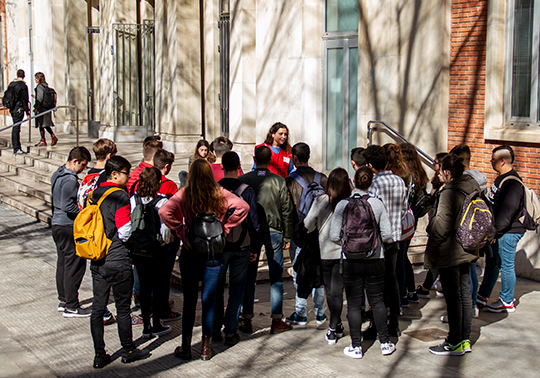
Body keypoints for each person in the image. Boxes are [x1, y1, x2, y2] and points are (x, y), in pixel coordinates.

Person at [159, 159, 249, 361]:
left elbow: (164, 211)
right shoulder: (218, 192)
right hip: (214, 252)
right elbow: (243, 206)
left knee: (189, 300)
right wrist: (225, 227)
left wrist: (181, 230)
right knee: (209, 299)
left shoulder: (185, 193)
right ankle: (206, 348)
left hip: (191, 250)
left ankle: (186, 346)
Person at [90, 156, 150, 368]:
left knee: (98, 307)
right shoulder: (120, 196)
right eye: (126, 172)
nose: (129, 176)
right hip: (117, 257)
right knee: (123, 308)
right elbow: (124, 231)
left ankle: (99, 354)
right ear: (114, 174)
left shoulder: (94, 193)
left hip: (97, 256)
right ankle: (128, 349)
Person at [330, 166, 395, 358]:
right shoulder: (377, 204)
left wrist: (347, 244)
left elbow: (334, 235)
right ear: (371, 183)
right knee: (377, 301)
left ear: (354, 181)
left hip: (350, 261)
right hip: (375, 259)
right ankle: (385, 343)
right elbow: (388, 235)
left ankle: (356, 346)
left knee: (354, 304)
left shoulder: (342, 204)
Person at [425, 154, 480, 356]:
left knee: (453, 297)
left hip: (450, 251)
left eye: (440, 172)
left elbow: (441, 226)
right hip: (468, 246)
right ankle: (465, 339)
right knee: (465, 294)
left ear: (447, 172)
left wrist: (432, 237)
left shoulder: (449, 192)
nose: (438, 175)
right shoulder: (472, 185)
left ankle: (454, 340)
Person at [239, 145, 294, 334]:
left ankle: (246, 318)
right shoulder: (279, 181)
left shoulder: (243, 180)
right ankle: (276, 319)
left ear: (254, 159)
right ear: (270, 160)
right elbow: (287, 209)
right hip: (273, 230)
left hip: (250, 233)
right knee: (276, 277)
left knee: (249, 277)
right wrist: (287, 234)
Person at [213, 151, 260, 345]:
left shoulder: (214, 189)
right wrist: (255, 248)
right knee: (236, 289)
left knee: (216, 289)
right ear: (239, 165)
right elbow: (254, 222)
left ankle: (215, 329)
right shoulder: (247, 190)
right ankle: (231, 330)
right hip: (243, 244)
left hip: (219, 245)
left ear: (222, 167)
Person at [363, 144, 406, 337]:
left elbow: (371, 212)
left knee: (376, 284)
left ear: (371, 165)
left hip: (378, 239)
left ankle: (376, 323)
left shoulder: (374, 185)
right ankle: (394, 322)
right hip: (395, 237)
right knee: (392, 280)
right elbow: (405, 209)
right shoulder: (400, 181)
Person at [304, 167, 350, 344]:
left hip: (325, 251)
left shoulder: (321, 200)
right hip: (344, 251)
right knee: (338, 291)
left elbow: (308, 224)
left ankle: (334, 325)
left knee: (330, 291)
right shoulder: (349, 202)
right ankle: (335, 325)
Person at [478, 145, 526, 313]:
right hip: (498, 230)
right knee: (493, 263)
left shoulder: (512, 182)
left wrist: (496, 233)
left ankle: (507, 300)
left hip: (509, 231)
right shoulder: (501, 178)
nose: (491, 162)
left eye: (493, 160)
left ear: (502, 161)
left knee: (506, 265)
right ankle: (483, 295)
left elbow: (507, 212)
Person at [284, 142, 328, 326]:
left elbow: (287, 211)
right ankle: (320, 314)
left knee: (298, 273)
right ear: (308, 156)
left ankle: (300, 313)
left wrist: (287, 236)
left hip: (299, 233)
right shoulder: (323, 178)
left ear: (294, 158)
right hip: (321, 234)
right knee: (318, 273)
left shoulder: (289, 181)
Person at [76, 138, 117, 326]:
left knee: (97, 272)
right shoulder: (104, 177)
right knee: (106, 273)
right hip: (102, 228)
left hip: (88, 227)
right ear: (109, 156)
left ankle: (101, 308)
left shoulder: (87, 176)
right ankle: (103, 310)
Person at [129, 167, 172, 339]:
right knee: (158, 286)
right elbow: (166, 231)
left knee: (144, 287)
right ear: (158, 183)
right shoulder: (162, 202)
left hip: (139, 249)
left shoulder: (133, 200)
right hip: (157, 250)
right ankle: (157, 323)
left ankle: (146, 324)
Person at [51, 146, 91, 317]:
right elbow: (67, 205)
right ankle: (72, 305)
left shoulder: (57, 174)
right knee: (74, 265)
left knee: (63, 262)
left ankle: (64, 299)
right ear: (75, 161)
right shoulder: (69, 180)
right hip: (67, 226)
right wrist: (84, 212)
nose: (83, 169)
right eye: (82, 165)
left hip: (57, 224)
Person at [450, 144, 487, 318]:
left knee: (462, 276)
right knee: (471, 270)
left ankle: (466, 307)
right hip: (477, 230)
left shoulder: (462, 182)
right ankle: (472, 305)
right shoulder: (480, 180)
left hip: (463, 231)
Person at [151, 148, 181, 322]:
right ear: (167, 166)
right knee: (164, 274)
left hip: (148, 235)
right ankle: (162, 308)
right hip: (167, 235)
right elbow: (175, 212)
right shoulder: (169, 185)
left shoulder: (143, 181)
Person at [398, 143, 429, 307]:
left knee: (401, 258)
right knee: (404, 257)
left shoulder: (406, 176)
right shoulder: (419, 173)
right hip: (413, 219)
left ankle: (403, 293)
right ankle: (410, 291)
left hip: (404, 218)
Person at [415, 152, 448, 298]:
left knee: (436, 259)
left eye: (435, 162)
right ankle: (430, 285)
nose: (433, 164)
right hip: (433, 221)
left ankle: (426, 287)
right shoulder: (437, 181)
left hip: (439, 226)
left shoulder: (445, 186)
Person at [5, 69, 31, 154]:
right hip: (19, 109)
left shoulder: (11, 84)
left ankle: (16, 147)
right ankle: (16, 148)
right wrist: (27, 111)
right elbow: (24, 100)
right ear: (24, 76)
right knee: (16, 128)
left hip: (12, 108)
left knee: (15, 127)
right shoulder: (22, 86)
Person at [32, 72, 58, 147]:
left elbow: (40, 98)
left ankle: (44, 139)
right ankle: (49, 137)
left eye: (36, 78)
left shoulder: (40, 86)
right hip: (47, 108)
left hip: (42, 108)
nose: (35, 80)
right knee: (45, 124)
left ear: (38, 78)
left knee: (41, 124)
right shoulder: (45, 86)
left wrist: (36, 107)